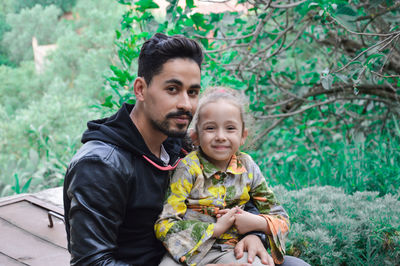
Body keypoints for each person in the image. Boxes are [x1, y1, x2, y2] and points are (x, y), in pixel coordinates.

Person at [63, 33, 275, 266]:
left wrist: (255, 234)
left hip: (204, 254)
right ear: (141, 89)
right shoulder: (101, 165)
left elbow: (240, 189)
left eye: (193, 92)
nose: (186, 104)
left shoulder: (183, 144)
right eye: (172, 89)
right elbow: (91, 262)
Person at [155, 88, 308, 266]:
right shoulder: (188, 168)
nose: (221, 136)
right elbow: (164, 225)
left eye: (230, 128)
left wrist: (255, 223)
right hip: (186, 253)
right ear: (195, 136)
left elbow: (281, 219)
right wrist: (214, 229)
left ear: (243, 136)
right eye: (210, 128)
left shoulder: (248, 167)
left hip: (231, 252)